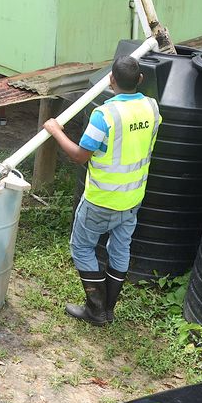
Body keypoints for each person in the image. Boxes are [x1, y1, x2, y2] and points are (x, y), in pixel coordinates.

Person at [43, 56, 161, 326]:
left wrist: (55, 131)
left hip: (102, 199)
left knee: (82, 247)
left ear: (111, 80)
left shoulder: (104, 115)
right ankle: (108, 309)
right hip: (132, 198)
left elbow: (79, 156)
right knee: (120, 248)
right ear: (140, 79)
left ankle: (95, 310)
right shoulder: (151, 108)